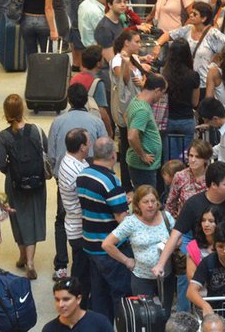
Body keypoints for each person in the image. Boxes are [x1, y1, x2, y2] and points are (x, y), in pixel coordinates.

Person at [76, 136, 131, 320]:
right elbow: (121, 219)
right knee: (119, 294)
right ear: (114, 156)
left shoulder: (84, 174)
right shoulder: (112, 181)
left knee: (99, 296)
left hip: (90, 244)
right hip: (110, 249)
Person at [0, 95, 47, 280]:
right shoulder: (36, 131)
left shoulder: (4, 135)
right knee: (33, 217)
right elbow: (46, 153)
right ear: (22, 109)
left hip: (15, 183)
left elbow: (1, 164)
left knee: (18, 218)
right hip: (37, 182)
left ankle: (22, 255)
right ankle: (31, 261)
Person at [101, 184, 175, 312]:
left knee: (165, 313)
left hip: (166, 278)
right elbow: (107, 244)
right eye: (145, 202)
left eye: (153, 201)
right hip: (142, 279)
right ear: (138, 205)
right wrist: (127, 261)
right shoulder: (131, 222)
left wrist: (174, 244)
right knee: (146, 316)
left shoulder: (166, 217)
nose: (150, 205)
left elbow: (177, 237)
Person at [57, 128, 92, 301]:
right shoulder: (76, 171)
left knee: (81, 270)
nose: (90, 144)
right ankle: (77, 305)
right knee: (81, 275)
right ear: (82, 147)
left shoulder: (71, 160)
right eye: (88, 141)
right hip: (79, 229)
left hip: (74, 224)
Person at [42, 277, 114, 332]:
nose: (60, 305)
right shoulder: (49, 329)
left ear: (78, 299)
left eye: (66, 299)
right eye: (57, 300)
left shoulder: (100, 324)